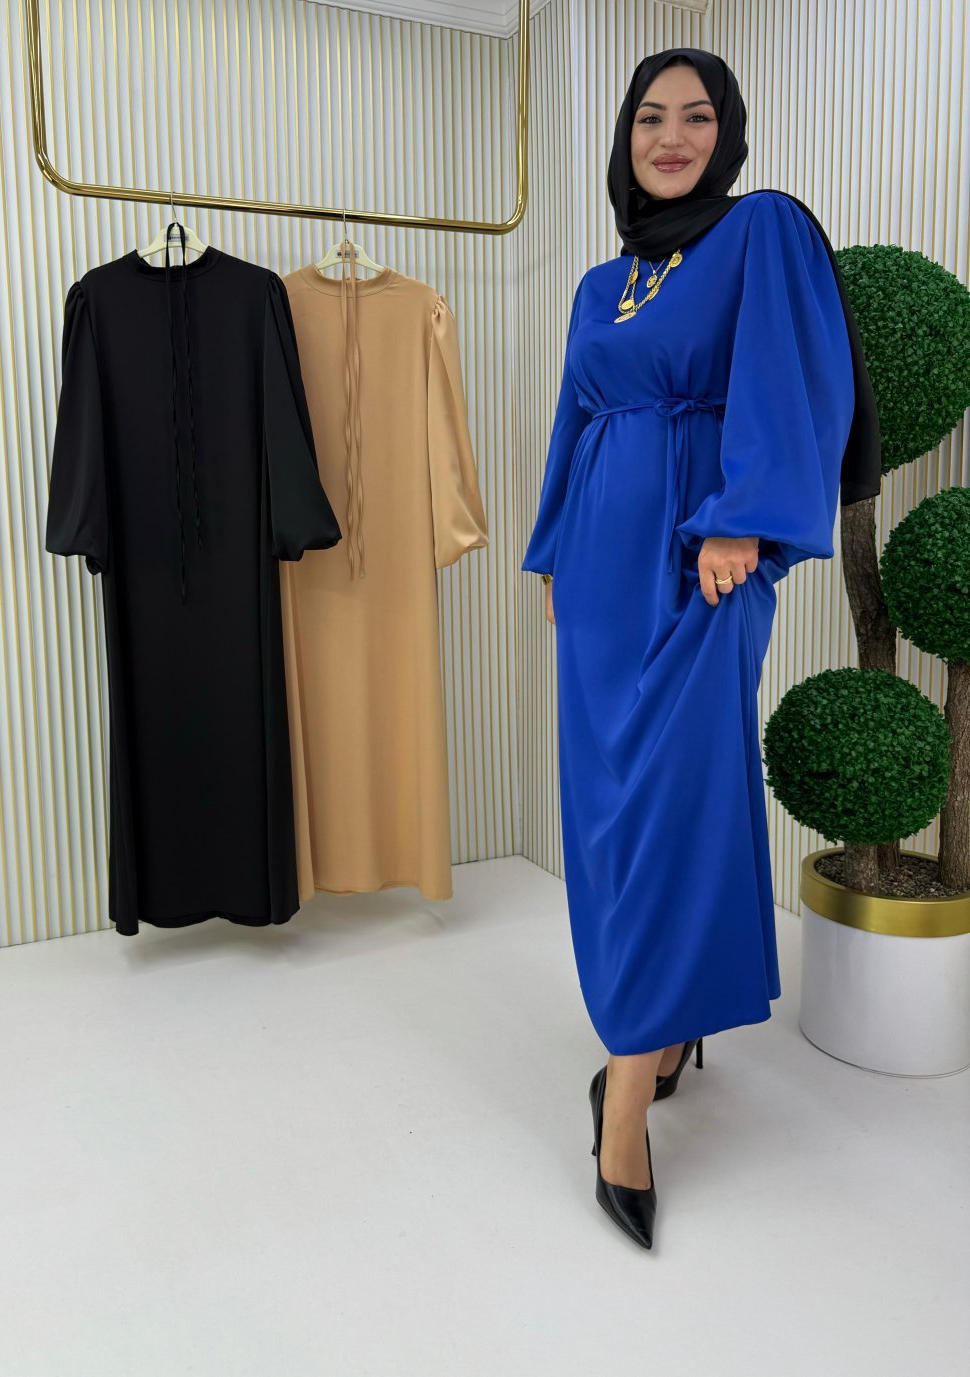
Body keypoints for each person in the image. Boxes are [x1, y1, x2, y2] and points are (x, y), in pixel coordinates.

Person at [521, 47, 880, 1250]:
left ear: (727, 131)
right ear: (622, 139)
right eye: (647, 118)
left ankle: (623, 1098)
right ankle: (666, 1029)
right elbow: (576, 420)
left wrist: (743, 516)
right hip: (599, 573)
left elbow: (796, 375)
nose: (669, 137)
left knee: (671, 806)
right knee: (604, 813)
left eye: (694, 116)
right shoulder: (602, 282)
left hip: (699, 559)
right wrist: (554, 551)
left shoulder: (758, 230)